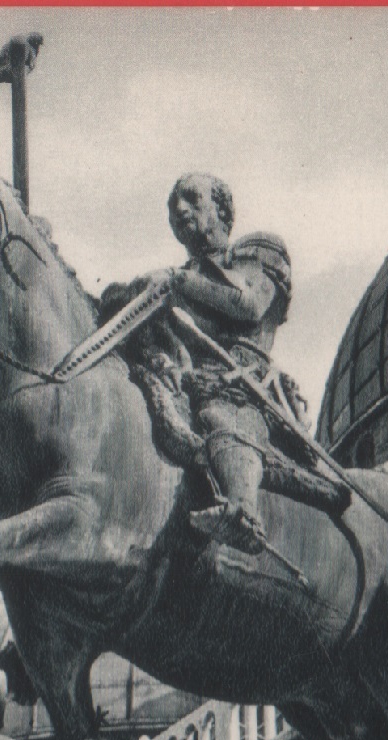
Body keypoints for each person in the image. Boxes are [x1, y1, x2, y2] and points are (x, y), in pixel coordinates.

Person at [106, 173, 292, 554]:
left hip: (240, 383)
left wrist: (176, 282)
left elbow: (248, 305)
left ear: (222, 209)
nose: (179, 210)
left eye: (192, 199)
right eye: (173, 208)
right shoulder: (178, 279)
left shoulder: (260, 250)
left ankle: (243, 513)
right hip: (188, 379)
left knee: (220, 416)